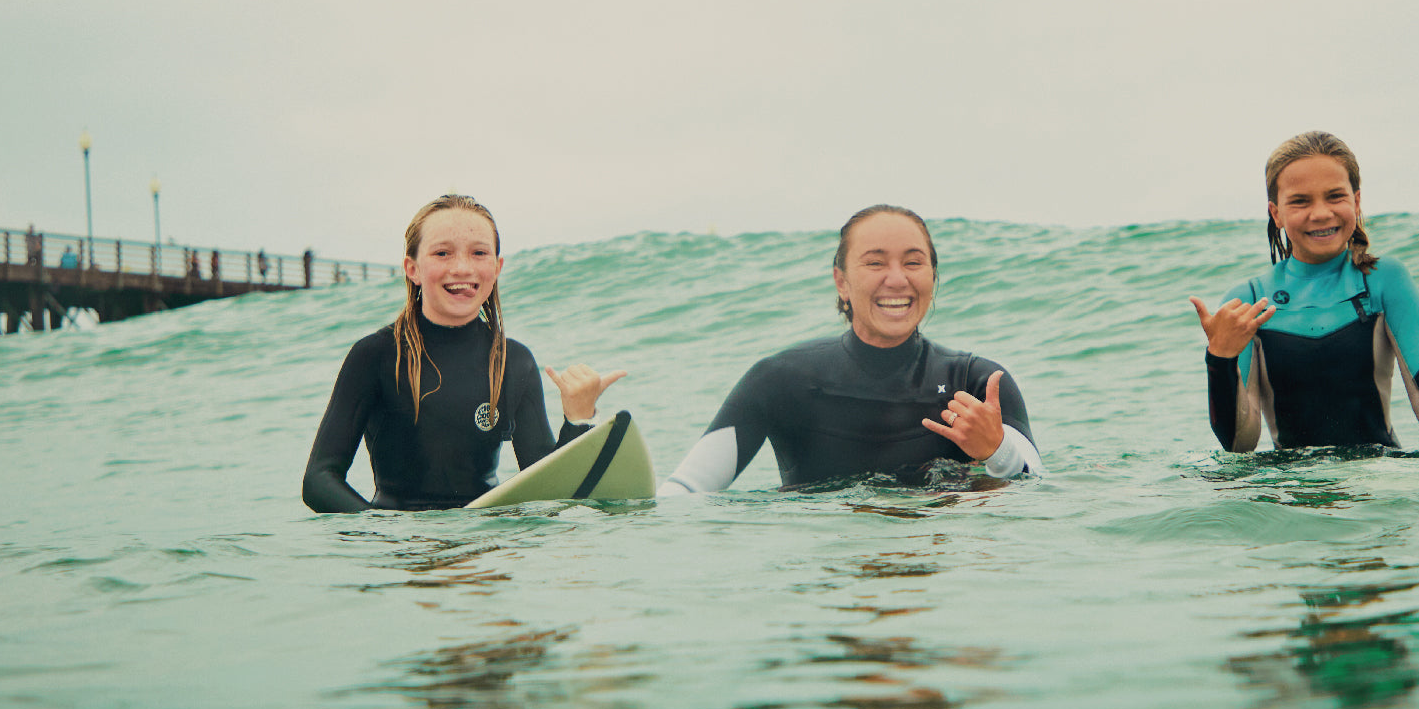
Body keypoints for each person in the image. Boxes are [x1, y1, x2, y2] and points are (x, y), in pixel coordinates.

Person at [662, 204, 1042, 495]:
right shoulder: (782, 381)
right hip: (831, 566)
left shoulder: (978, 384)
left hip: (934, 565)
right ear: (841, 282)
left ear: (932, 276)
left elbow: (1038, 491)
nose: (897, 279)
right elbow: (687, 490)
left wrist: (996, 449)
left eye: (914, 262)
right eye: (875, 262)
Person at [302, 194, 626, 512]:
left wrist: (579, 418)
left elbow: (550, 494)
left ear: (496, 267)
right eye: (442, 253)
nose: (461, 268)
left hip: (485, 538)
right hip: (404, 543)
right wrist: (384, 532)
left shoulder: (513, 362)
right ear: (412, 268)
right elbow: (319, 479)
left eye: (479, 253)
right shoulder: (375, 355)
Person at [1191, 131, 1419, 452]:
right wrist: (1220, 359)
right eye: (1300, 201)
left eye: (1335, 196)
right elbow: (1239, 444)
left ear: (1356, 201)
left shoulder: (1384, 280)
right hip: (1290, 481)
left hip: (1376, 475)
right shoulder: (1249, 301)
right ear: (1276, 213)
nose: (1321, 213)